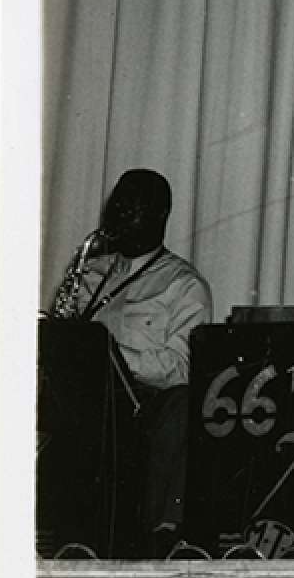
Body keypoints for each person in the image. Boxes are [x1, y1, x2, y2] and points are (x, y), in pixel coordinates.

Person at [53, 169, 215, 552]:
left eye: (132, 208)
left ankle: (152, 537)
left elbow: (183, 367)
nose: (119, 217)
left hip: (142, 405)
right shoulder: (91, 272)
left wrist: (107, 354)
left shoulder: (184, 285)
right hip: (86, 401)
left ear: (160, 215)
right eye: (117, 206)